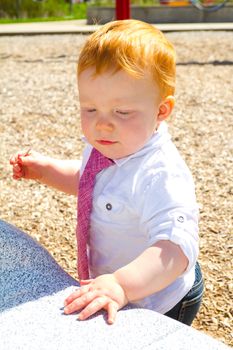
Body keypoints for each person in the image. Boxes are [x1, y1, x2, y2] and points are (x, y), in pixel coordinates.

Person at [10, 19, 204, 326]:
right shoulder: (110, 143)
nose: (102, 124)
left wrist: (122, 285)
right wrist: (48, 171)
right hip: (116, 282)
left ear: (162, 110)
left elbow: (176, 249)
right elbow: (93, 182)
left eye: (122, 112)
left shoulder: (160, 174)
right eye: (89, 109)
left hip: (158, 295)